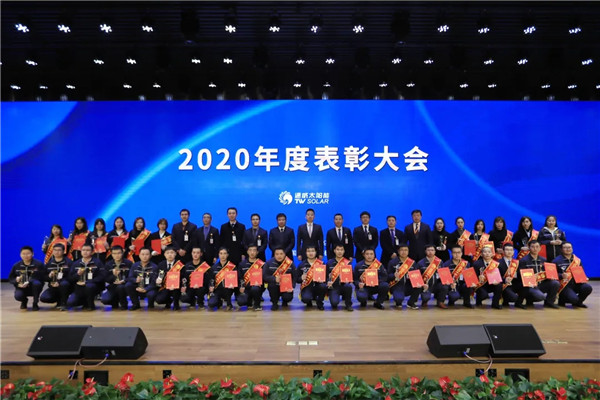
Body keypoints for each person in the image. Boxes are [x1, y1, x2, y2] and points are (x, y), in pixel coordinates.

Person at [514, 240, 560, 309]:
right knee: (540, 297)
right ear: (529, 248)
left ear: (540, 248)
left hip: (541, 284)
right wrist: (531, 277)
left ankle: (549, 302)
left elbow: (547, 272)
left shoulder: (544, 260)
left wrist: (550, 276)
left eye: (537, 247)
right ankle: (528, 299)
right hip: (530, 286)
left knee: (555, 283)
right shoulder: (523, 260)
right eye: (532, 247)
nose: (535, 249)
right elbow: (520, 276)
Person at [553, 242, 593, 308]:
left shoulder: (577, 260)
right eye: (565, 248)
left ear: (572, 248)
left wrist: (584, 278)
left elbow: (581, 271)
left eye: (569, 247)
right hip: (564, 285)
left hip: (576, 283)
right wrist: (561, 276)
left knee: (587, 287)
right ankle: (562, 299)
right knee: (573, 299)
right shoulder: (556, 261)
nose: (568, 249)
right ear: (561, 249)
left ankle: (579, 303)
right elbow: (553, 275)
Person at [67, 243, 105, 310]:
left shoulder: (97, 262)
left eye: (88, 250)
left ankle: (91, 305)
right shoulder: (76, 263)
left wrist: (88, 282)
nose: (85, 252)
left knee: (89, 286)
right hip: (79, 287)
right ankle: (84, 301)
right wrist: (77, 274)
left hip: (93, 286)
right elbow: (70, 277)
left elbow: (102, 276)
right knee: (70, 303)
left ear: (92, 252)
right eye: (83, 250)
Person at [9, 246, 45, 311]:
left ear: (32, 254)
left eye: (28, 253)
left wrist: (29, 281)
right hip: (21, 287)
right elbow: (11, 278)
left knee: (37, 283)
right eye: (23, 254)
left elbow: (42, 277)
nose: (26, 256)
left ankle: (35, 303)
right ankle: (24, 301)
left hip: (34, 287)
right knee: (18, 296)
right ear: (20, 255)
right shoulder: (16, 265)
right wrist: (16, 281)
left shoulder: (39, 264)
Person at [387, 243, 420, 309]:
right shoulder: (392, 262)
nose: (404, 252)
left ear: (408, 251)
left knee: (419, 286)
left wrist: (414, 279)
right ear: (398, 251)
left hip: (409, 285)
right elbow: (388, 276)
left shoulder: (412, 262)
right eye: (402, 250)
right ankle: (398, 302)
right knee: (399, 299)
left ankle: (411, 303)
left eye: (406, 250)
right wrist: (394, 275)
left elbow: (416, 275)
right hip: (397, 285)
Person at [40, 243, 72, 310]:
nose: (57, 252)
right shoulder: (49, 263)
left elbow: (71, 277)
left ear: (64, 251)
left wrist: (59, 282)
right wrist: (49, 276)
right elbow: (43, 277)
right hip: (53, 287)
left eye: (59, 250)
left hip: (66, 286)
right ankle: (59, 300)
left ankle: (64, 303)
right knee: (44, 298)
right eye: (55, 250)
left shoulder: (69, 263)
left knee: (64, 284)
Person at [417, 244, 449, 309]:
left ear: (435, 251)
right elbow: (417, 277)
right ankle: (424, 301)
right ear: (425, 251)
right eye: (428, 250)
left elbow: (444, 274)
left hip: (437, 284)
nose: (430, 252)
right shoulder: (420, 263)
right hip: (426, 285)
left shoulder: (440, 262)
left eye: (432, 250)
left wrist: (446, 281)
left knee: (445, 287)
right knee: (425, 297)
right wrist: (422, 284)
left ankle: (440, 302)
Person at [100, 246, 132, 310]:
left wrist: (124, 280)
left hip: (124, 286)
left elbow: (132, 276)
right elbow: (105, 278)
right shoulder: (108, 264)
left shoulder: (129, 263)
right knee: (105, 300)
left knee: (121, 287)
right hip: (112, 286)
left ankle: (124, 304)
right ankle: (114, 303)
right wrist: (114, 276)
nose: (117, 255)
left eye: (119, 253)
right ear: (111, 254)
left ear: (122, 253)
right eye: (114, 253)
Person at [296, 246, 327, 310]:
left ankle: (320, 302)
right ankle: (309, 301)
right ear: (306, 253)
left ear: (316, 252)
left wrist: (323, 280)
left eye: (313, 251)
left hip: (318, 286)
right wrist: (301, 278)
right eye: (308, 251)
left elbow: (326, 278)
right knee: (305, 299)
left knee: (323, 286)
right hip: (307, 286)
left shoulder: (321, 264)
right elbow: (297, 279)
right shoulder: (301, 265)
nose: (311, 253)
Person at [237, 244, 266, 310]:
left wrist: (261, 285)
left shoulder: (262, 264)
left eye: (254, 250)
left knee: (255, 289)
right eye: (250, 250)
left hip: (257, 288)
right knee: (241, 302)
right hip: (246, 288)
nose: (252, 252)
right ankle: (249, 301)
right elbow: (240, 277)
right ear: (247, 252)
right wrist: (241, 287)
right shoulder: (242, 264)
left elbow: (264, 278)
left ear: (257, 252)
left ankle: (257, 304)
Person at [326, 244, 354, 311]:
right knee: (334, 303)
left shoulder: (347, 263)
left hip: (344, 285)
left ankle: (348, 304)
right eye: (338, 250)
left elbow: (351, 276)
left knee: (348, 286)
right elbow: (325, 276)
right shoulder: (329, 263)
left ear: (344, 251)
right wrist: (328, 281)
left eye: (341, 250)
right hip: (334, 286)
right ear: (334, 251)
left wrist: (349, 280)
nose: (339, 251)